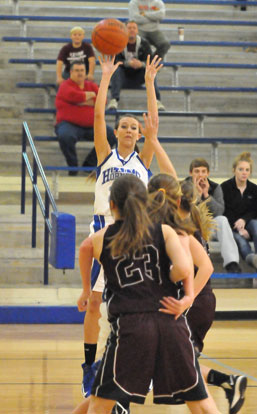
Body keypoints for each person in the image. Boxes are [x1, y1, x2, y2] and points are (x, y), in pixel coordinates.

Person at [73, 173, 224, 414]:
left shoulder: (104, 237)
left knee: (100, 403)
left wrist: (84, 290)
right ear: (145, 202)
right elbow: (185, 268)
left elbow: (85, 247)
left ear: (112, 205)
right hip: (170, 321)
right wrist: (181, 292)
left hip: (130, 326)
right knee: (200, 402)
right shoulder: (165, 231)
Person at [80, 54, 163, 400]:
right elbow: (98, 115)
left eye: (134, 127)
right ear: (116, 133)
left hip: (136, 237)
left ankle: (132, 366)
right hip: (103, 234)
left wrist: (148, 82)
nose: (130, 130)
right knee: (96, 303)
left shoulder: (144, 161)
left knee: (135, 305)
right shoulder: (106, 156)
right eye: (125, 126)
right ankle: (88, 368)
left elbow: (154, 125)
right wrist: (105, 75)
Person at [149, 176, 247, 414]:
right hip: (198, 300)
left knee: (183, 368)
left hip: (197, 302)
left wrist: (190, 297)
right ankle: (226, 381)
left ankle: (226, 382)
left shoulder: (179, 229)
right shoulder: (182, 221)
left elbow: (206, 267)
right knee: (178, 365)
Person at [55, 61, 116, 175]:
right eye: (77, 70)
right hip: (68, 124)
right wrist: (89, 96)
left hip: (92, 126)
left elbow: (102, 101)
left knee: (112, 135)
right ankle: (73, 168)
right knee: (65, 136)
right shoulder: (65, 85)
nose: (80, 73)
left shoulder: (91, 85)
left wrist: (77, 102)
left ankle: (89, 164)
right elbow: (73, 95)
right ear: (71, 72)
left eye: (82, 70)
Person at [187, 158, 242, 273]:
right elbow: (183, 209)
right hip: (189, 225)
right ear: (190, 173)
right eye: (197, 171)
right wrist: (196, 195)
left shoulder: (215, 187)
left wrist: (206, 195)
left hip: (208, 226)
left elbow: (219, 211)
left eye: (203, 171)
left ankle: (231, 262)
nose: (200, 175)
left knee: (222, 220)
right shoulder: (184, 186)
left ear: (208, 173)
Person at [107, 20, 165, 112]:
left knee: (150, 71)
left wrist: (140, 64)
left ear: (137, 31)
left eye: (134, 28)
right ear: (125, 30)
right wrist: (127, 63)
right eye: (129, 28)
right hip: (122, 77)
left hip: (140, 76)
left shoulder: (144, 43)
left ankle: (156, 100)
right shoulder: (118, 42)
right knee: (116, 69)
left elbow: (151, 62)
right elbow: (113, 61)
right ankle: (114, 100)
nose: (132, 30)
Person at [221, 151, 257, 270]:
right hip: (231, 226)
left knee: (256, 225)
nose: (244, 173)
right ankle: (252, 259)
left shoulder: (254, 189)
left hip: (249, 224)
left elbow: (254, 210)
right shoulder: (225, 187)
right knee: (240, 240)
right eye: (241, 169)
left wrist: (244, 220)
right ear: (234, 170)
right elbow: (224, 211)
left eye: (247, 170)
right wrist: (239, 228)